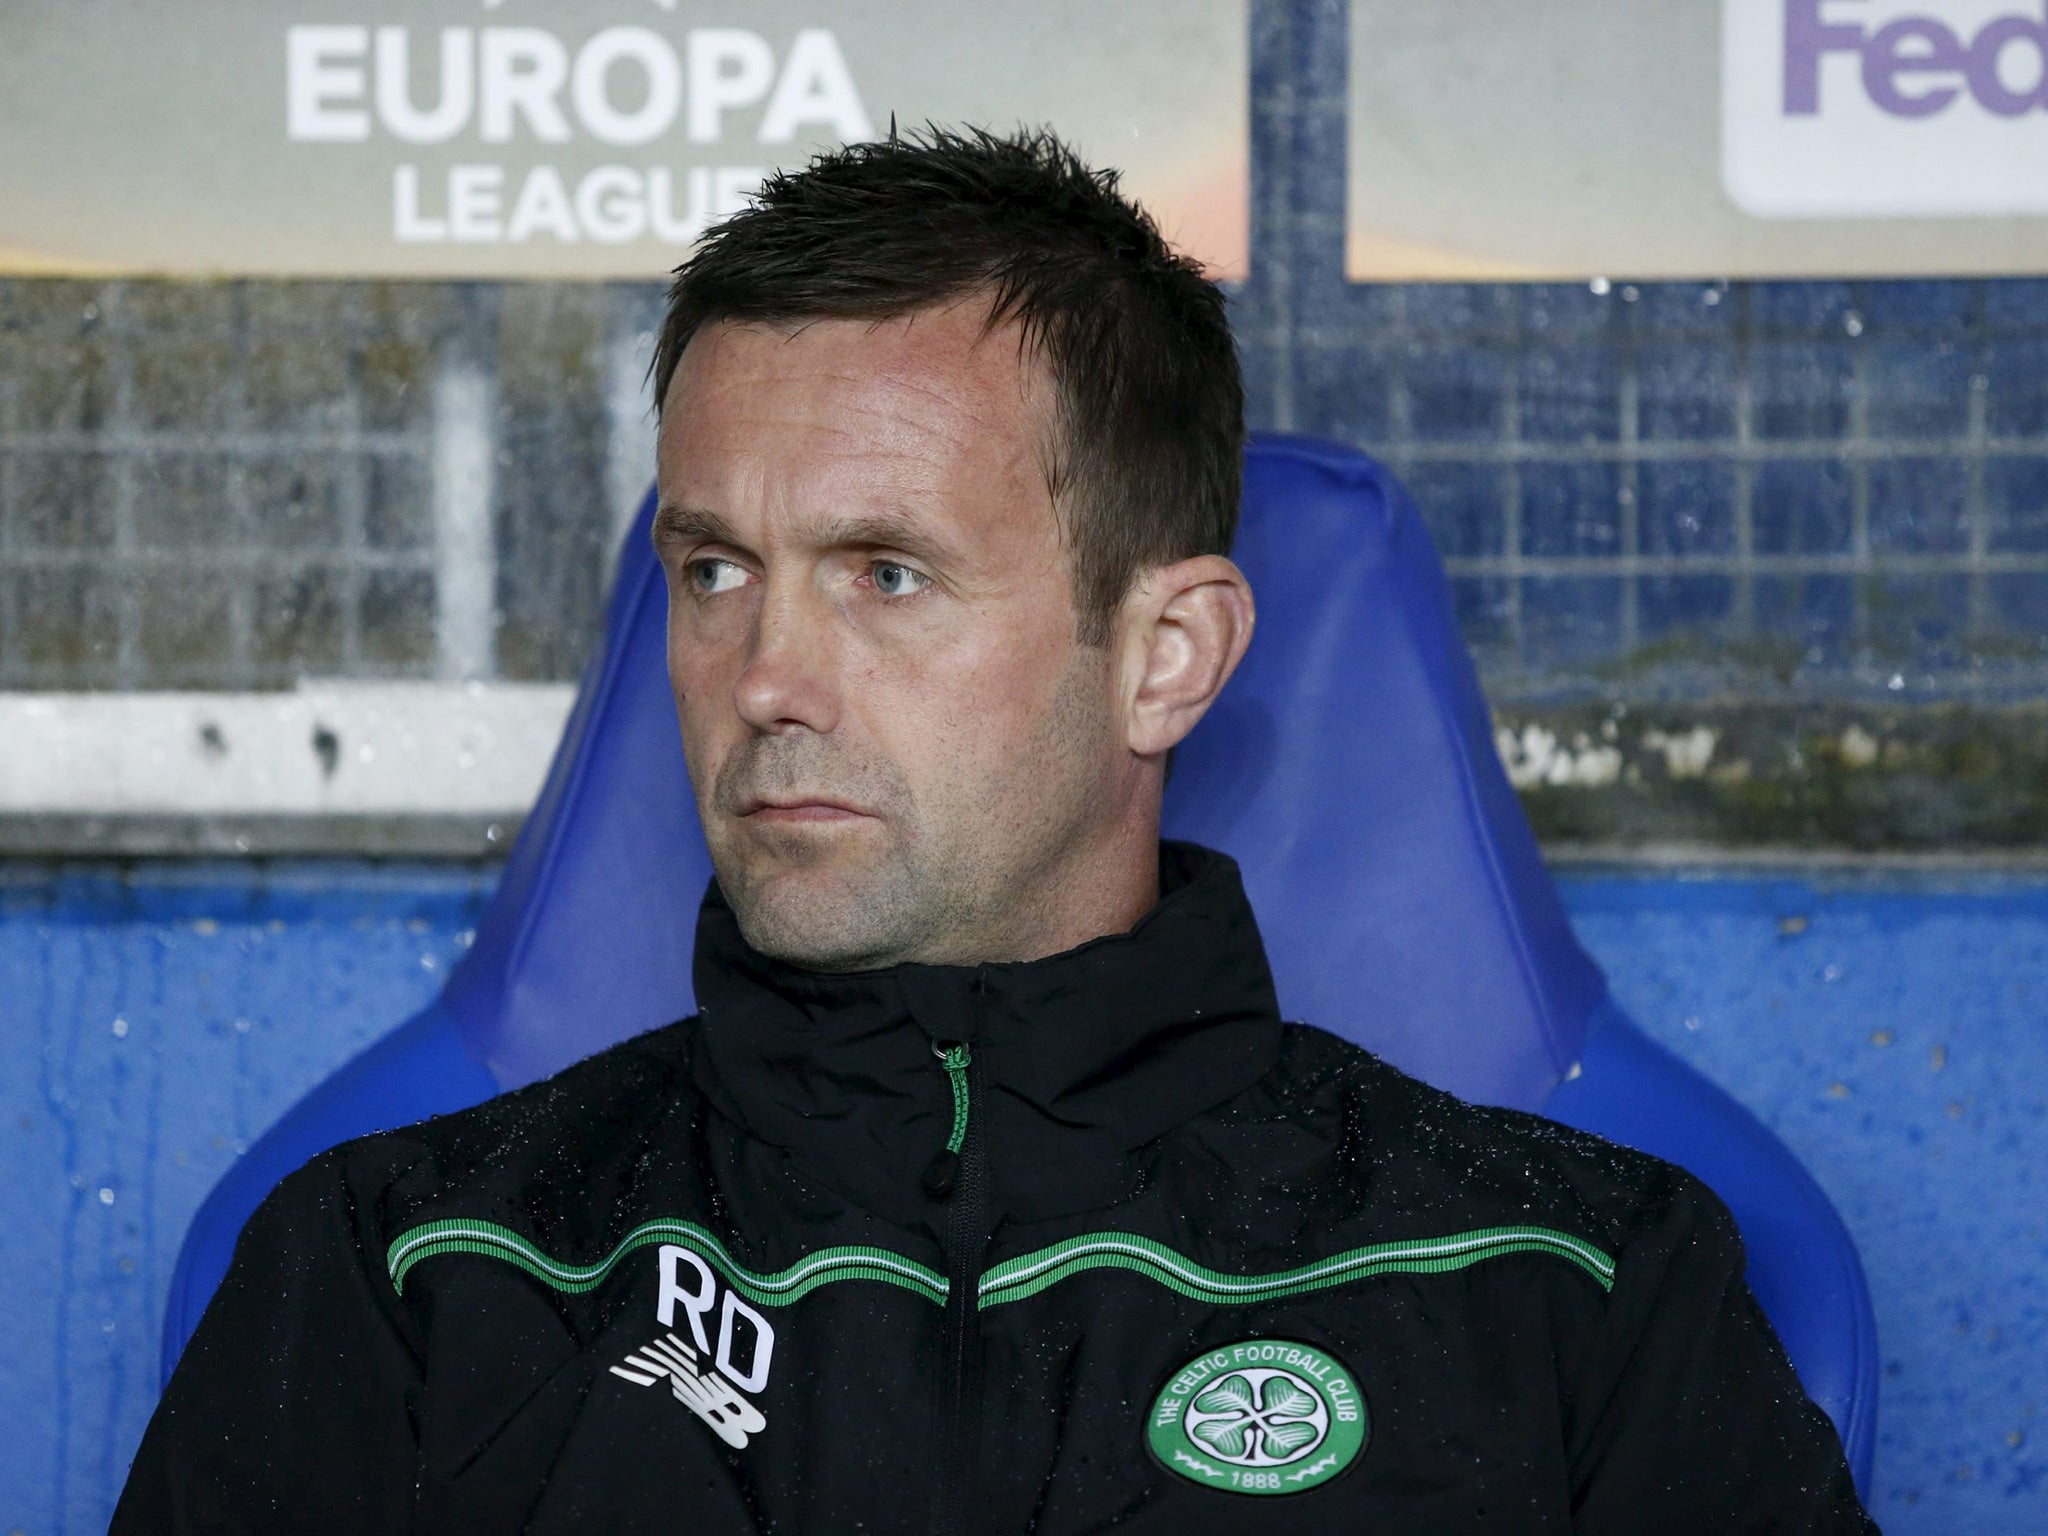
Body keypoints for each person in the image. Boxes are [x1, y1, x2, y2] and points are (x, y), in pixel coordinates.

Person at [115, 127, 1877, 1534]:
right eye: (715, 570)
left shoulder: (1566, 1290)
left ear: (1165, 657)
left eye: (887, 575)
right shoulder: (413, 1269)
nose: (766, 677)